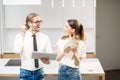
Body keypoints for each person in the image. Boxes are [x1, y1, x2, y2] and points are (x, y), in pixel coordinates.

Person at [13, 13, 52, 80]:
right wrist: (22, 34)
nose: (39, 23)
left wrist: (47, 61)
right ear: (29, 23)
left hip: (39, 72)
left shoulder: (45, 37)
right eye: (36, 21)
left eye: (40, 21)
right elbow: (16, 51)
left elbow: (49, 57)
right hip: (25, 73)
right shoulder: (20, 36)